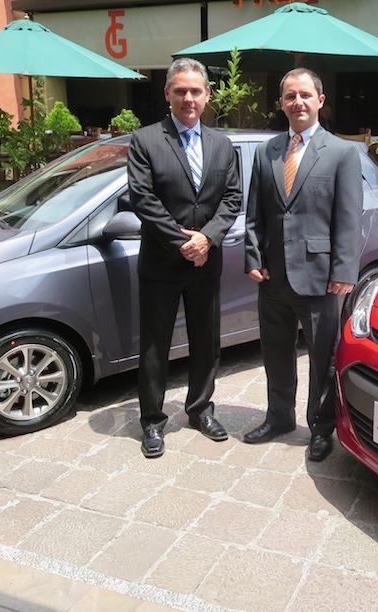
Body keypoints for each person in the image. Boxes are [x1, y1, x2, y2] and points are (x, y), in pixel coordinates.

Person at [242, 68, 363, 462]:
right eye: (290, 96)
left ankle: (321, 427)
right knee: (275, 352)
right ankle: (278, 417)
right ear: (281, 103)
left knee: (322, 357)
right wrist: (253, 256)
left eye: (305, 95)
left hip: (320, 277)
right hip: (273, 276)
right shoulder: (267, 151)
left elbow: (349, 217)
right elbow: (255, 213)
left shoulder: (342, 152)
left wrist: (344, 271)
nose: (298, 102)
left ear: (320, 101)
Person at [127, 58, 242, 458]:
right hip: (161, 262)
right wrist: (183, 242)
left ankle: (200, 410)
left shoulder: (222, 145)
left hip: (205, 263)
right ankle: (152, 421)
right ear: (167, 94)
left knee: (206, 341)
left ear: (207, 95)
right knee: (154, 345)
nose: (188, 98)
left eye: (196, 91)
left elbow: (232, 199)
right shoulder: (145, 141)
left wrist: (207, 239)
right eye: (181, 91)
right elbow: (143, 199)